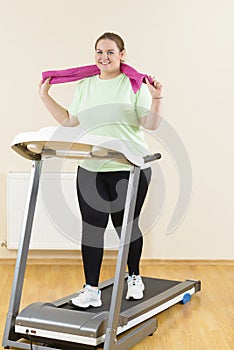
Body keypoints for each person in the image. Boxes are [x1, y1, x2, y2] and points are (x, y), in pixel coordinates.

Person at [39, 32, 163, 308]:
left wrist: (156, 98)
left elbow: (150, 124)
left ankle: (134, 277)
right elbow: (70, 120)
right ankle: (91, 289)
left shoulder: (133, 84)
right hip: (91, 167)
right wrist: (44, 95)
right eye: (99, 52)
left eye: (109, 52)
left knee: (125, 227)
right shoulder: (85, 86)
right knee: (92, 230)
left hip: (129, 166)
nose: (103, 57)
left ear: (122, 54)